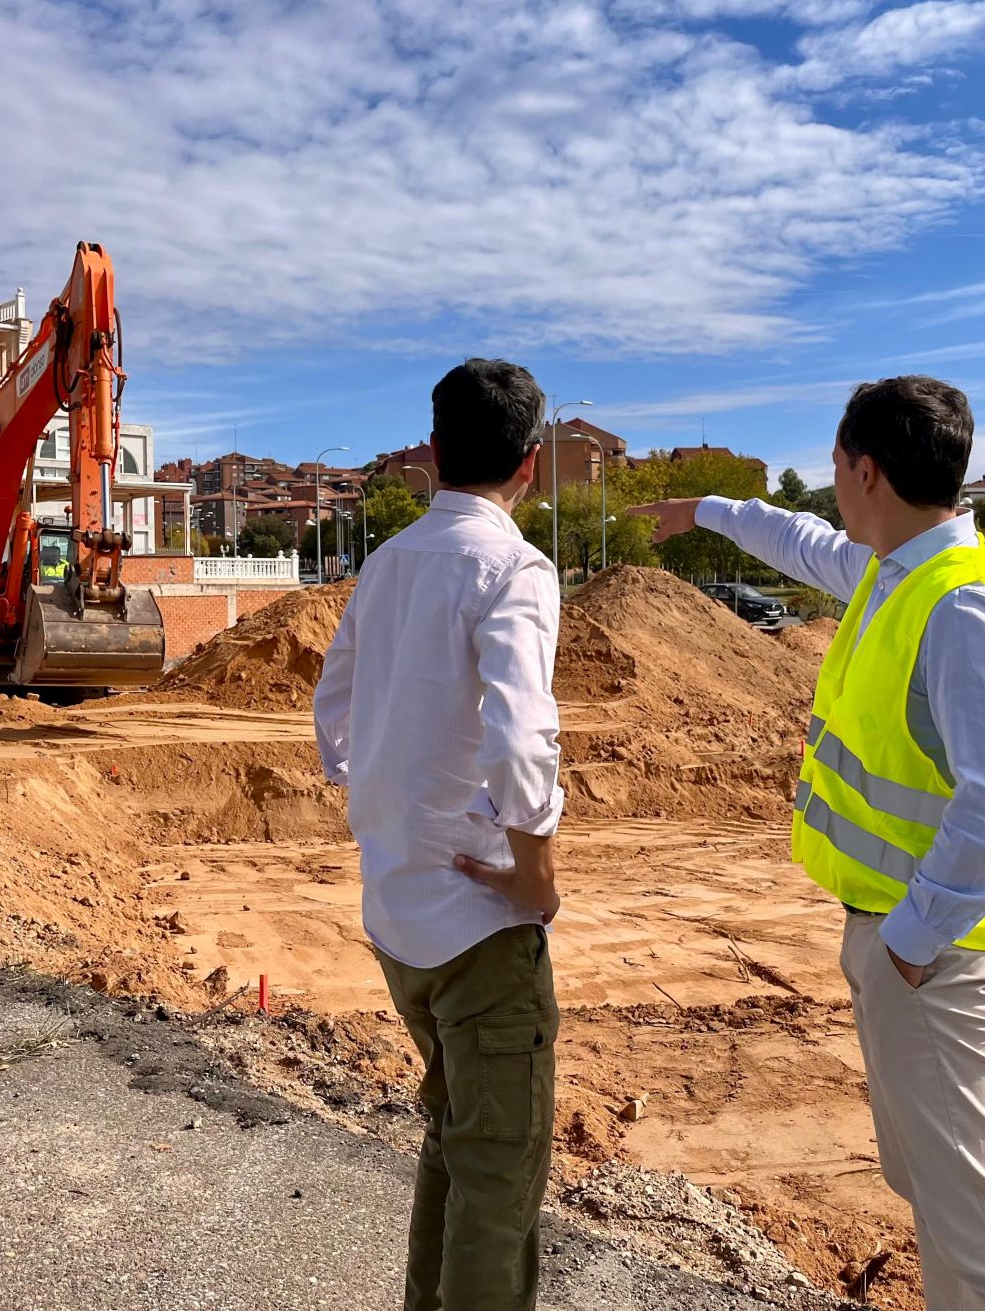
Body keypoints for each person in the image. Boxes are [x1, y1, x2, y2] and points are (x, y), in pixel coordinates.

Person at [627, 375, 985, 1310]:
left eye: (834, 467)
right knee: (942, 1205)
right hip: (905, 945)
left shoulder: (960, 609)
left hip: (940, 958)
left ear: (867, 470)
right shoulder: (896, 570)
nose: (829, 487)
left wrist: (906, 946)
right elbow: (797, 541)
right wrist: (704, 509)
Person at [313, 358, 563, 1311]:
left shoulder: (385, 565)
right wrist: (533, 870)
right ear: (529, 466)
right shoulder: (514, 568)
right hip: (480, 932)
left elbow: (333, 708)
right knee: (498, 1181)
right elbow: (523, 730)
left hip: (398, 914)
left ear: (430, 454)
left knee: (453, 1140)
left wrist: (388, 806)